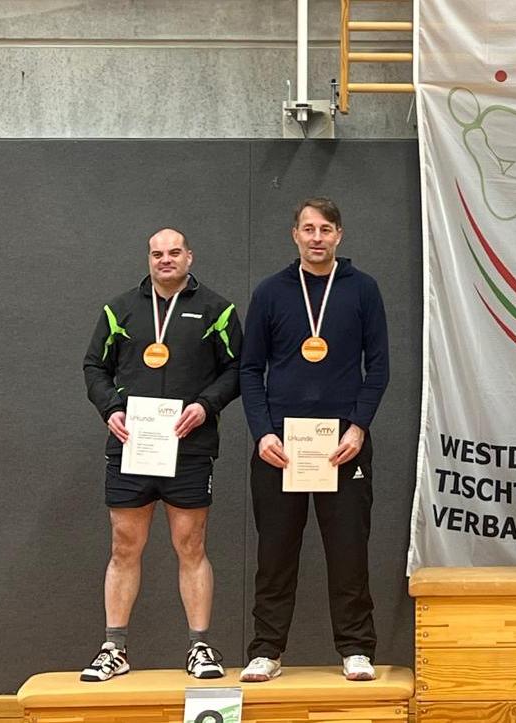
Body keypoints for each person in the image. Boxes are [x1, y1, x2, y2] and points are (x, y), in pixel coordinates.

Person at [239, 197, 389, 682]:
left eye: (326, 229)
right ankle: (266, 650)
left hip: (343, 445)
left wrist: (359, 426)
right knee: (275, 553)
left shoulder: (363, 289)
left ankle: (356, 648)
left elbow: (378, 367)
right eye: (308, 228)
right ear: (295, 235)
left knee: (348, 551)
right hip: (280, 449)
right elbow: (249, 369)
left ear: (339, 235)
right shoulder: (270, 292)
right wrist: (262, 433)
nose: (317, 237)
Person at [81, 228, 242, 680]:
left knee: (191, 545)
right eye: (157, 254)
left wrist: (205, 405)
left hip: (189, 447)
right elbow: (94, 366)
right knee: (124, 545)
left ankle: (200, 647)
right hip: (133, 444)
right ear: (148, 259)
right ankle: (114, 648)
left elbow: (237, 369)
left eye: (174, 252)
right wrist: (111, 409)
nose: (165, 259)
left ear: (189, 256)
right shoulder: (119, 310)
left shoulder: (217, 310)